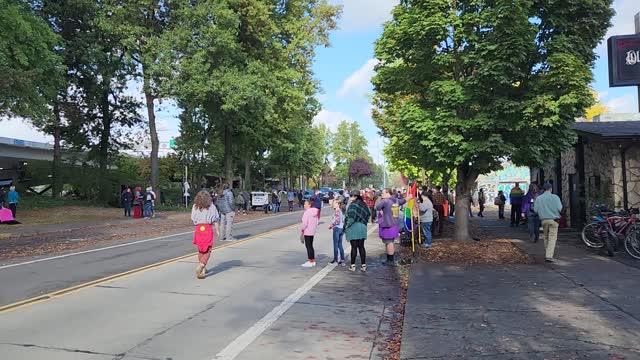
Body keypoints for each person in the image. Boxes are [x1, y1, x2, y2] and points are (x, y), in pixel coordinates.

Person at [191, 190, 220, 279]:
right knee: (208, 250)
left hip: (198, 229)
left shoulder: (195, 206)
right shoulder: (211, 207)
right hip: (207, 228)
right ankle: (201, 265)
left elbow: (193, 218)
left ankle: (203, 269)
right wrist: (217, 230)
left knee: (201, 249)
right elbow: (215, 219)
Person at [376, 188, 407, 266]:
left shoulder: (385, 201)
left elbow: (377, 207)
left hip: (387, 224)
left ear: (387, 193)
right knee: (390, 242)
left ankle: (390, 260)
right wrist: (408, 198)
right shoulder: (395, 200)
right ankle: (389, 259)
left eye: (383, 193)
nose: (381, 195)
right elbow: (402, 201)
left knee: (389, 243)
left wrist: (380, 200)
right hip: (393, 224)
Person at [533, 183, 563, 262]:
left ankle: (547, 253)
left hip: (544, 220)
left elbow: (535, 210)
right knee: (552, 238)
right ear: (551, 189)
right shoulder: (555, 197)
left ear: (543, 189)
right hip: (554, 220)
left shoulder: (539, 198)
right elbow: (560, 208)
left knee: (546, 237)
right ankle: (549, 256)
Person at [344, 190, 369, 272]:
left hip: (354, 228)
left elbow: (351, 218)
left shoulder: (353, 205)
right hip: (362, 227)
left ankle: (352, 265)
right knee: (361, 246)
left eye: (351, 196)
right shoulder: (364, 204)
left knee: (354, 247)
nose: (350, 197)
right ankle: (363, 265)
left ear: (355, 196)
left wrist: (346, 226)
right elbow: (368, 214)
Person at [301, 200, 319, 268]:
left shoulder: (307, 212)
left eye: (305, 204)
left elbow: (304, 223)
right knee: (311, 246)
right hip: (312, 231)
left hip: (307, 231)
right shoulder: (315, 212)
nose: (304, 205)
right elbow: (317, 222)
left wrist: (302, 229)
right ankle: (312, 260)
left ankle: (310, 261)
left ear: (309, 205)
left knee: (308, 246)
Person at [328, 199, 346, 265]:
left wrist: (331, 225)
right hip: (341, 229)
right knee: (340, 245)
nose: (333, 204)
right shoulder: (341, 211)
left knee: (335, 245)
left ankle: (335, 260)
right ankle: (342, 260)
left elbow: (337, 221)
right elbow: (343, 220)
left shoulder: (337, 211)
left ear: (338, 204)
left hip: (337, 229)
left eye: (335, 203)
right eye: (333, 203)